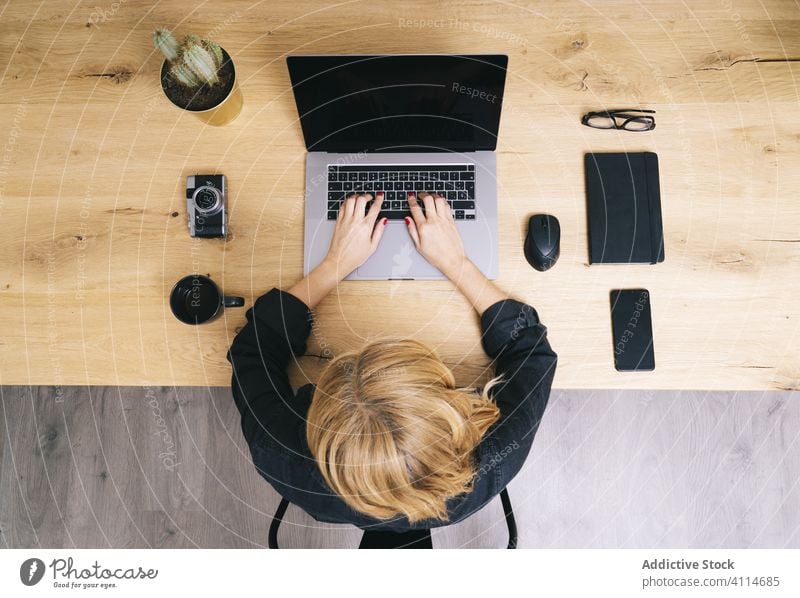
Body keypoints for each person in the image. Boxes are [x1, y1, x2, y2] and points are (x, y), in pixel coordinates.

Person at [228, 191, 557, 532]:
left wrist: (335, 264)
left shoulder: (281, 455)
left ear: (318, 414)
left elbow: (251, 349)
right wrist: (457, 263)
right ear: (452, 408)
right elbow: (531, 348)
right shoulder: (495, 460)